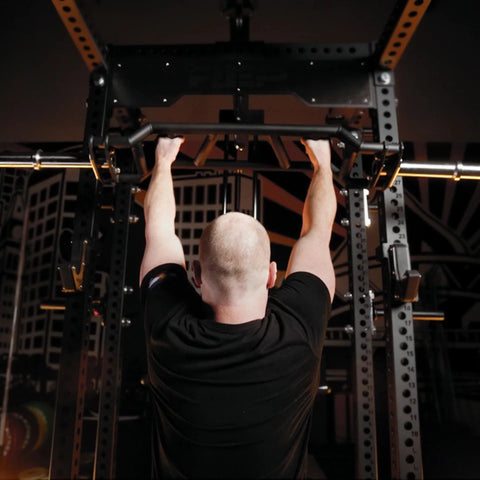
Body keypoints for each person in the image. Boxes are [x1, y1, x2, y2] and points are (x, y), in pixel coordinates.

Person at [140, 136, 336, 479]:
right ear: (273, 274)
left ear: (196, 275)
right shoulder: (298, 332)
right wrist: (322, 164)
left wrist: (164, 161)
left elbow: (158, 230)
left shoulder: (168, 332)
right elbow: (317, 233)